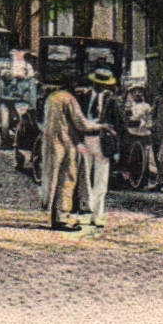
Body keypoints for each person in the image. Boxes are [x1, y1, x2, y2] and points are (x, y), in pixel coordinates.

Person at [40, 75, 101, 232]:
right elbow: (81, 123)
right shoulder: (69, 99)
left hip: (50, 143)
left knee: (53, 178)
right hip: (66, 143)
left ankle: (54, 216)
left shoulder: (51, 98)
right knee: (67, 180)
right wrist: (100, 126)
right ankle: (62, 218)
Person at [76, 69, 120, 228]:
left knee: (101, 179)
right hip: (86, 138)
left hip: (103, 141)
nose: (99, 87)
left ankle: (97, 214)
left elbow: (119, 123)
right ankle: (85, 212)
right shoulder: (83, 97)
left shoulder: (112, 101)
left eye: (102, 85)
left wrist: (115, 140)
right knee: (84, 177)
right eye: (97, 84)